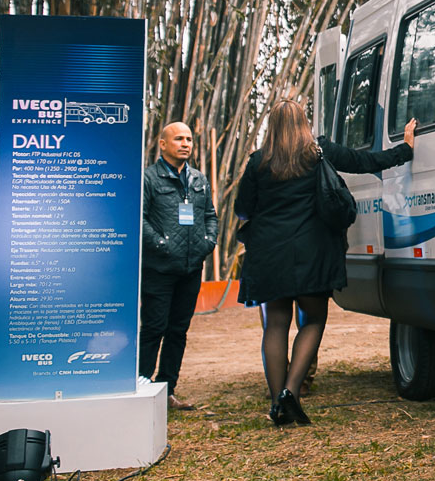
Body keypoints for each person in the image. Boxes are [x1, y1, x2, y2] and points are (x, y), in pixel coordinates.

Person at [236, 99, 417, 426]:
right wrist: (405, 148)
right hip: (313, 253)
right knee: (313, 320)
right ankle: (291, 393)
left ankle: (277, 404)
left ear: (271, 126)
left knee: (275, 324)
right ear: (304, 122)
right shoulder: (319, 152)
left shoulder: (258, 163)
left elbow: (243, 208)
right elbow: (366, 162)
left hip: (269, 254)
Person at [140, 121, 218, 411]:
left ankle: (168, 389)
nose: (185, 144)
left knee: (178, 330)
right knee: (154, 328)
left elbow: (210, 214)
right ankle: (142, 387)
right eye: (178, 139)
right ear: (163, 144)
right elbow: (140, 218)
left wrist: (208, 243)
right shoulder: (149, 178)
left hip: (190, 269)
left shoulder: (198, 179)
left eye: (188, 139)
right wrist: (162, 244)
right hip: (158, 269)